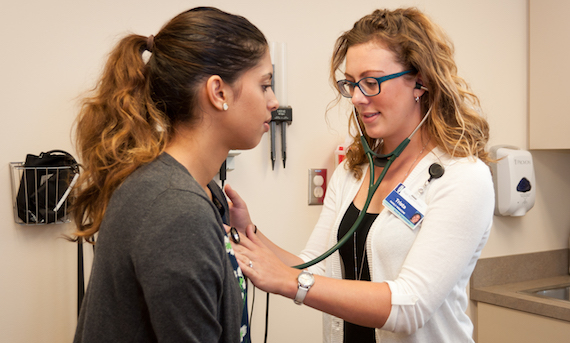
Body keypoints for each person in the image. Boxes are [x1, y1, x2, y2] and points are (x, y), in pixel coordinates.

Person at [226, 7, 494, 343]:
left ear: (420, 81)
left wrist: (288, 282)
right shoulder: (353, 172)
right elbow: (316, 268)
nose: (356, 97)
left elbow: (410, 306)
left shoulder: (463, 178)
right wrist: (249, 234)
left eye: (371, 82)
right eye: (351, 84)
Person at [70, 7, 278, 342]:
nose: (274, 101)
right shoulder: (177, 210)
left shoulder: (197, 191)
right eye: (265, 85)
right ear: (218, 92)